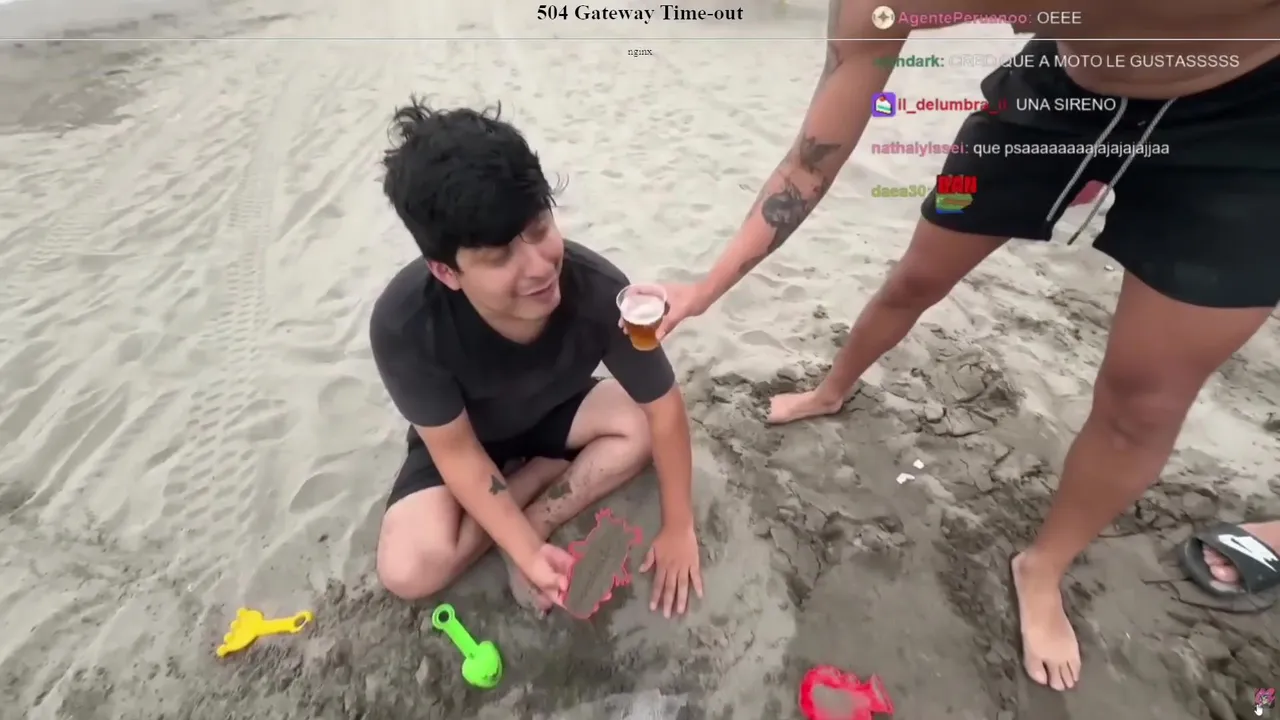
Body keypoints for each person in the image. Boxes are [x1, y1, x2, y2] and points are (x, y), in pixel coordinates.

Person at [650, 0, 1280, 691]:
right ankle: (831, 389)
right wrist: (708, 286)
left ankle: (1043, 566)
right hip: (1058, 91)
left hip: (1247, 120)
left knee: (1145, 399)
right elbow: (810, 161)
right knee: (915, 279)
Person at [370, 99, 703, 617]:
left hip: (557, 411)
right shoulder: (406, 324)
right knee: (408, 570)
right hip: (468, 436)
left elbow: (663, 406)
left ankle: (538, 511)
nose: (540, 267)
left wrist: (679, 525)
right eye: (501, 255)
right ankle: (533, 477)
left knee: (641, 426)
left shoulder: (598, 290)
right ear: (446, 272)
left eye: (539, 228)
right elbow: (457, 454)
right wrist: (526, 553)